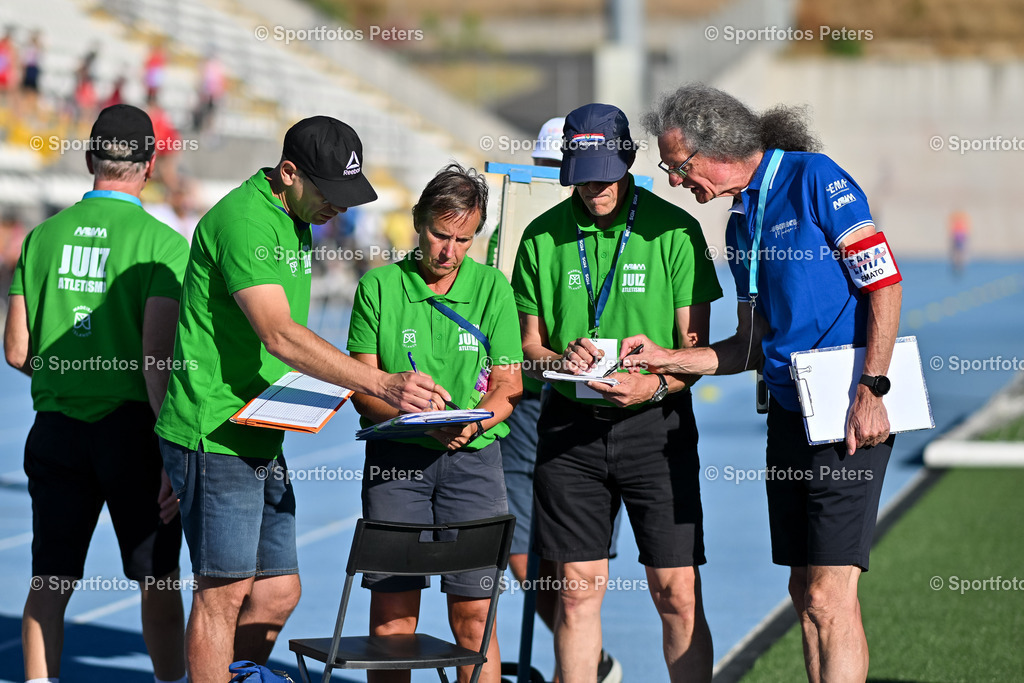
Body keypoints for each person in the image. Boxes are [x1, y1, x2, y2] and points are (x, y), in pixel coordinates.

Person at [155, 116, 449, 682]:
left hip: (260, 424)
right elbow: (280, 334)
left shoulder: (297, 216)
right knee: (223, 596)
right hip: (214, 430)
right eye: (329, 194)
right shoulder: (244, 220)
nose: (338, 208)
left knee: (278, 593)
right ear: (288, 173)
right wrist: (382, 383)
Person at [629, 84, 903, 683]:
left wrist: (873, 390)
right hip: (787, 411)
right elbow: (747, 347)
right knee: (804, 591)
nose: (676, 182)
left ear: (715, 147)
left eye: (678, 167)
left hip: (848, 410)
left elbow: (883, 283)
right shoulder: (740, 220)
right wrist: (665, 359)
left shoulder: (814, 178)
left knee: (831, 599)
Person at [511, 103, 722, 683]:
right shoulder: (539, 237)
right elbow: (529, 347)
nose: (595, 186)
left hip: (657, 428)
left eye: (606, 171)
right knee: (576, 593)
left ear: (628, 161)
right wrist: (560, 360)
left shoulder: (675, 231)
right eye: (583, 173)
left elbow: (694, 348)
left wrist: (650, 382)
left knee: (675, 592)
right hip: (570, 429)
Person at [4, 104, 189, 683]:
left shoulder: (40, 238)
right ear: (150, 163)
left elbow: (16, 351)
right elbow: (157, 360)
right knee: (156, 579)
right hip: (134, 431)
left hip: (57, 429)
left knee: (49, 581)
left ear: (90, 159)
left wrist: (72, 373)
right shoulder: (163, 244)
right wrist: (173, 449)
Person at [347, 162, 521, 683]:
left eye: (463, 239)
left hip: (474, 462)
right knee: (394, 621)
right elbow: (362, 389)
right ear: (418, 223)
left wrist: (475, 423)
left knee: (474, 617)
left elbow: (508, 387)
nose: (449, 251)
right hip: (398, 465)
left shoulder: (493, 289)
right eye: (439, 235)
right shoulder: (378, 288)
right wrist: (417, 421)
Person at [488, 115, 622, 682]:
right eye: (548, 171)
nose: (559, 183)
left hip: (590, 399)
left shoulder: (618, 226)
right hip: (525, 395)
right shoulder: (512, 229)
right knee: (515, 540)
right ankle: (587, 657)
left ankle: (587, 657)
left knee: (578, 560)